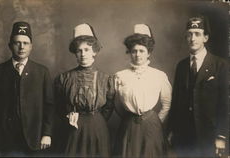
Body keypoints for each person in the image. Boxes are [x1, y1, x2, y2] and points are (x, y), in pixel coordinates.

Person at [0, 21, 55, 156]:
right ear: (10, 46)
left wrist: (47, 133)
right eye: (17, 43)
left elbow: (49, 106)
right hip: (4, 139)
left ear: (31, 46)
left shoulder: (42, 72)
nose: (22, 47)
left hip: (33, 137)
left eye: (26, 43)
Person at [167, 16, 229, 157]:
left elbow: (225, 104)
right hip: (184, 136)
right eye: (189, 34)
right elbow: (176, 101)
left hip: (209, 136)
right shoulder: (181, 66)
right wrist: (171, 130)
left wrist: (221, 136)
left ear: (205, 38)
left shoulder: (221, 65)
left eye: (197, 34)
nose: (192, 38)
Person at [54, 23, 114, 157]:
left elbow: (109, 106)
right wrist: (68, 116)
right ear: (75, 53)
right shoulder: (64, 78)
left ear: (94, 51)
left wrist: (96, 120)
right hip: (74, 129)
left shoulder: (105, 78)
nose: (83, 54)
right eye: (79, 50)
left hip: (98, 127)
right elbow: (58, 105)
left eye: (86, 49)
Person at [113, 24, 172, 157]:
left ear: (148, 53)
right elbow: (116, 103)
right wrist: (129, 117)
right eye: (134, 51)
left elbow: (167, 103)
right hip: (129, 126)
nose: (138, 54)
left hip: (152, 127)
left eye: (142, 51)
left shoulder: (159, 75)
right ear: (129, 52)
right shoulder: (120, 76)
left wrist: (155, 120)